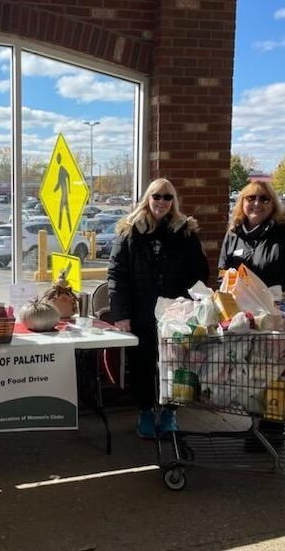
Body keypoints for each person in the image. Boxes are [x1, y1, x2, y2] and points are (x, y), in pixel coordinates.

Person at [107, 178, 209, 439]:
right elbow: (117, 276)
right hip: (141, 312)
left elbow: (199, 273)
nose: (162, 201)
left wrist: (193, 308)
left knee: (176, 365)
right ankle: (144, 411)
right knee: (141, 364)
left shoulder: (184, 232)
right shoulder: (129, 232)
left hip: (177, 315)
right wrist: (121, 315)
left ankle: (169, 413)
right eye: (156, 196)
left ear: (174, 202)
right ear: (147, 198)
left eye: (167, 197)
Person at [219, 180, 285, 448]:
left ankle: (272, 427)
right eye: (250, 198)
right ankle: (255, 423)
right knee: (251, 372)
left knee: (276, 373)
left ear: (273, 204)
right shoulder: (234, 233)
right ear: (242, 203)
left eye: (264, 199)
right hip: (243, 317)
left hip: (275, 313)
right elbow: (224, 272)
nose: (256, 203)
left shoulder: (281, 233)